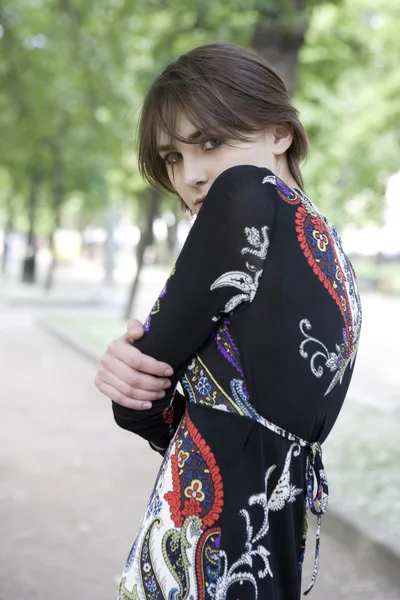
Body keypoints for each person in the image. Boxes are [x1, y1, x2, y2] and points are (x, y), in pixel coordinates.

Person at [95, 43, 362, 600]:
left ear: (279, 132)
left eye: (210, 142)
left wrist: (133, 386)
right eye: (172, 157)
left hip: (204, 549)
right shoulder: (329, 249)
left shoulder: (243, 194)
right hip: (269, 551)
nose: (191, 175)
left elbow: (137, 404)